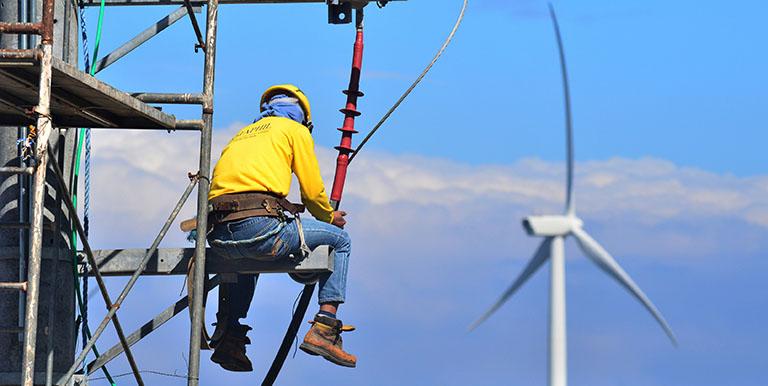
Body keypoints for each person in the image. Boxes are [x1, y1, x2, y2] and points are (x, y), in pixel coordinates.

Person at [205, 84, 356, 371]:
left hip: (219, 236)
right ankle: (325, 327)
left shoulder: (242, 135)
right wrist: (328, 216)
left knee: (243, 264)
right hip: (260, 229)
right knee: (341, 241)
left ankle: (229, 334)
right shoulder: (294, 131)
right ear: (302, 117)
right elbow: (311, 193)